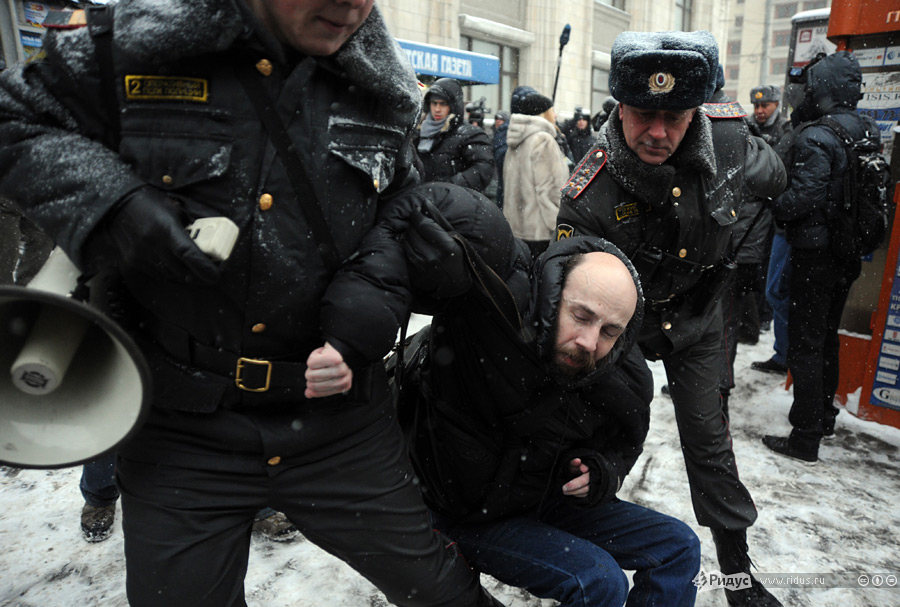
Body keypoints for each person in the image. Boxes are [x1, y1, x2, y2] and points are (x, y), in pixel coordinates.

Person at [0, 2, 502, 606]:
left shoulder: (387, 86)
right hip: (182, 429)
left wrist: (366, 313)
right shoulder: (131, 44)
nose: (351, 4)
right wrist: (111, 204)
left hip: (341, 426)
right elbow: (14, 117)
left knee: (444, 593)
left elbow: (395, 214)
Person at [555, 30, 787, 607]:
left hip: (701, 318)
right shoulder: (589, 191)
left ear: (697, 112)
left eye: (676, 116)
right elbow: (569, 290)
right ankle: (575, 532)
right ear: (618, 106)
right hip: (626, 328)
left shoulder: (731, 139)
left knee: (709, 441)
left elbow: (776, 176)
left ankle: (737, 570)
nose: (658, 132)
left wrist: (753, 183)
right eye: (643, 114)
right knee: (600, 426)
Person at [389, 182, 700, 607]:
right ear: (554, 295)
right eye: (581, 316)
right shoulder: (495, 309)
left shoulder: (625, 377)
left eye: (610, 330)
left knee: (678, 547)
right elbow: (469, 219)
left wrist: (600, 472)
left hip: (540, 499)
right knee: (598, 582)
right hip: (457, 510)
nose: (590, 341)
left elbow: (620, 447)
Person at [763, 51, 876, 463]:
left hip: (815, 253)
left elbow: (803, 198)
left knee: (806, 344)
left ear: (822, 90)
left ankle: (804, 437)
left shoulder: (816, 136)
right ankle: (825, 416)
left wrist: (774, 200)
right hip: (848, 251)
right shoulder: (865, 129)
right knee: (828, 336)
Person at [749, 85, 795, 376]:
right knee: (760, 281)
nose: (760, 110)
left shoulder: (786, 131)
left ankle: (782, 350)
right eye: (757, 106)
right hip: (754, 216)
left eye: (765, 105)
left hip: (775, 216)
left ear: (777, 104)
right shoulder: (749, 127)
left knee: (775, 285)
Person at [503, 87, 571, 259]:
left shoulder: (515, 140)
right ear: (543, 113)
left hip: (516, 227)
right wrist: (557, 224)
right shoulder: (543, 140)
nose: (554, 116)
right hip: (539, 230)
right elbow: (549, 190)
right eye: (551, 111)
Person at [415, 77, 494, 193]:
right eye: (434, 103)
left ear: (453, 106)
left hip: (453, 205)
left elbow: (483, 168)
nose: (437, 109)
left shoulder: (470, 135)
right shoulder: (417, 133)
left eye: (443, 104)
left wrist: (450, 189)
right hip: (420, 202)